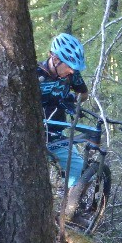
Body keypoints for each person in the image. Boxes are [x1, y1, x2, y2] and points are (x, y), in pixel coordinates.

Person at [38, 33, 89, 190]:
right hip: (34, 137)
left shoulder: (71, 74)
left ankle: (69, 208)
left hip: (57, 136)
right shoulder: (34, 74)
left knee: (80, 171)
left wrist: (70, 98)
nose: (72, 71)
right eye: (68, 66)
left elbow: (84, 94)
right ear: (54, 58)